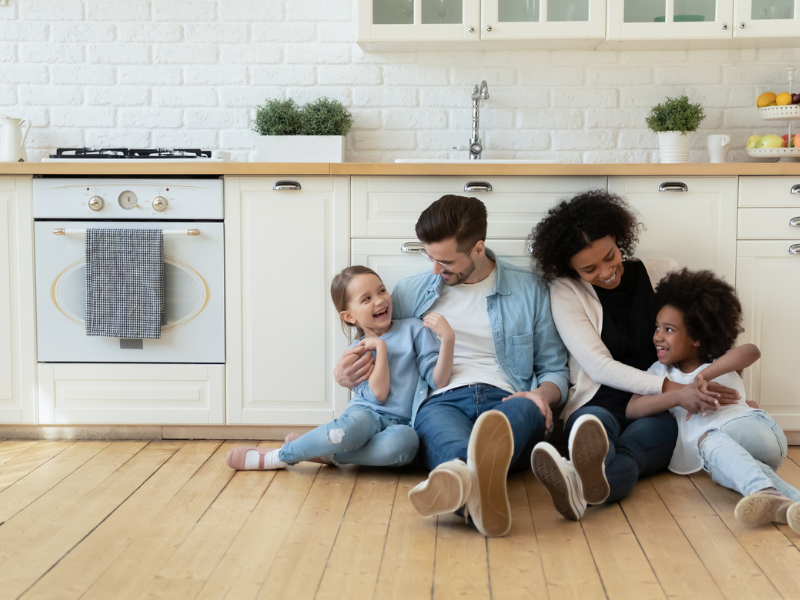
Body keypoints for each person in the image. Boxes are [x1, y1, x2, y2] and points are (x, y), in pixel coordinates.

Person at [335, 195, 571, 537]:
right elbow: (370, 341)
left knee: (520, 414)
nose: (435, 270)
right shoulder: (410, 293)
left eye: (445, 262)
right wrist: (343, 374)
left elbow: (554, 369)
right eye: (429, 257)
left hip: (508, 399)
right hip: (439, 401)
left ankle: (464, 493)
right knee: (453, 448)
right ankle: (481, 489)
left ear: (477, 249)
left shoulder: (529, 290)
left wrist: (539, 396)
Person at [527, 190, 741, 520]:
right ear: (570, 267)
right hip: (602, 398)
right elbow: (598, 366)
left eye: (610, 256)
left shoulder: (662, 271)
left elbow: (704, 334)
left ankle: (575, 484)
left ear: (619, 238)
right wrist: (677, 392)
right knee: (590, 428)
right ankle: (584, 476)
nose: (606, 272)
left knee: (631, 453)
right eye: (589, 268)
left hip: (660, 406)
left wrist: (739, 398)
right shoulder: (565, 290)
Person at [225, 265, 454, 471]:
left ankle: (323, 453)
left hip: (402, 424)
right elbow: (378, 395)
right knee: (348, 431)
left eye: (382, 290)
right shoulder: (356, 351)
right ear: (349, 316)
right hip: (365, 415)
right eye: (366, 299)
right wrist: (381, 349)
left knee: (406, 444)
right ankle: (278, 457)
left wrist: (448, 340)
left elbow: (438, 381)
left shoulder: (414, 329)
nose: (379, 300)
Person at [625, 268, 800, 533]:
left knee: (708, 439)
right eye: (657, 327)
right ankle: (790, 503)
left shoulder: (720, 362)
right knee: (724, 465)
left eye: (669, 329)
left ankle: (763, 492)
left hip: (756, 431)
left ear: (697, 337)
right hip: (720, 460)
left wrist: (703, 377)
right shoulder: (660, 373)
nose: (658, 336)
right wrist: (679, 395)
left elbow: (751, 351)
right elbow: (632, 408)